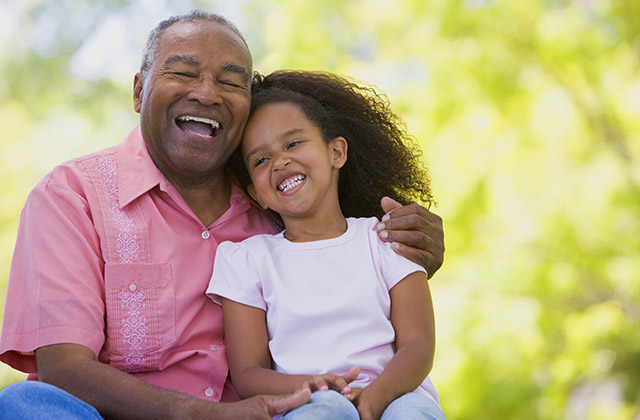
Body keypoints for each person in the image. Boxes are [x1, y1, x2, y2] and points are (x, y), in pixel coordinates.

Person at [0, 10, 444, 420]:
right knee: (22, 404)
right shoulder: (73, 195)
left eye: (232, 82)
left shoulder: (278, 204)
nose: (207, 92)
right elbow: (63, 368)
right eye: (183, 72)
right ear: (139, 90)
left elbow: (353, 271)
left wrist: (416, 247)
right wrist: (202, 416)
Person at [206, 70, 446, 420]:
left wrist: (372, 399)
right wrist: (317, 386)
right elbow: (248, 375)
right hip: (306, 398)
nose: (280, 161)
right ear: (256, 195)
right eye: (261, 160)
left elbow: (419, 345)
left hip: (396, 392)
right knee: (326, 411)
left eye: (293, 143)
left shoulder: (386, 238)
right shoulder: (247, 259)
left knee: (413, 413)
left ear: (336, 152)